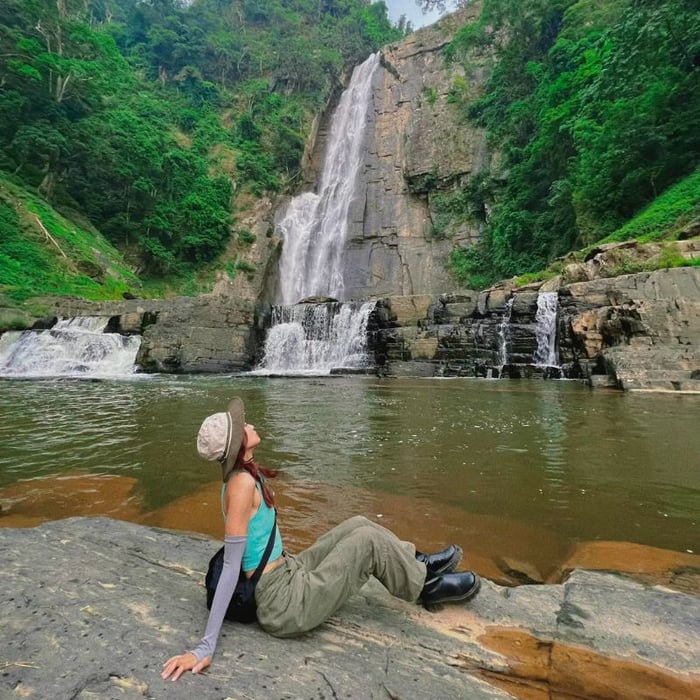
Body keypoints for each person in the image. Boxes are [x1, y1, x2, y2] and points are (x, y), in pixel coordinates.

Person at [162, 397, 480, 681]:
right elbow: (232, 567)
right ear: (237, 444)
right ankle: (427, 587)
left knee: (358, 523)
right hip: (282, 603)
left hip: (288, 570)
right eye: (242, 425)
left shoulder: (243, 476)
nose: (250, 423)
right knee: (367, 541)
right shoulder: (240, 485)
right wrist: (205, 646)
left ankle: (415, 563)